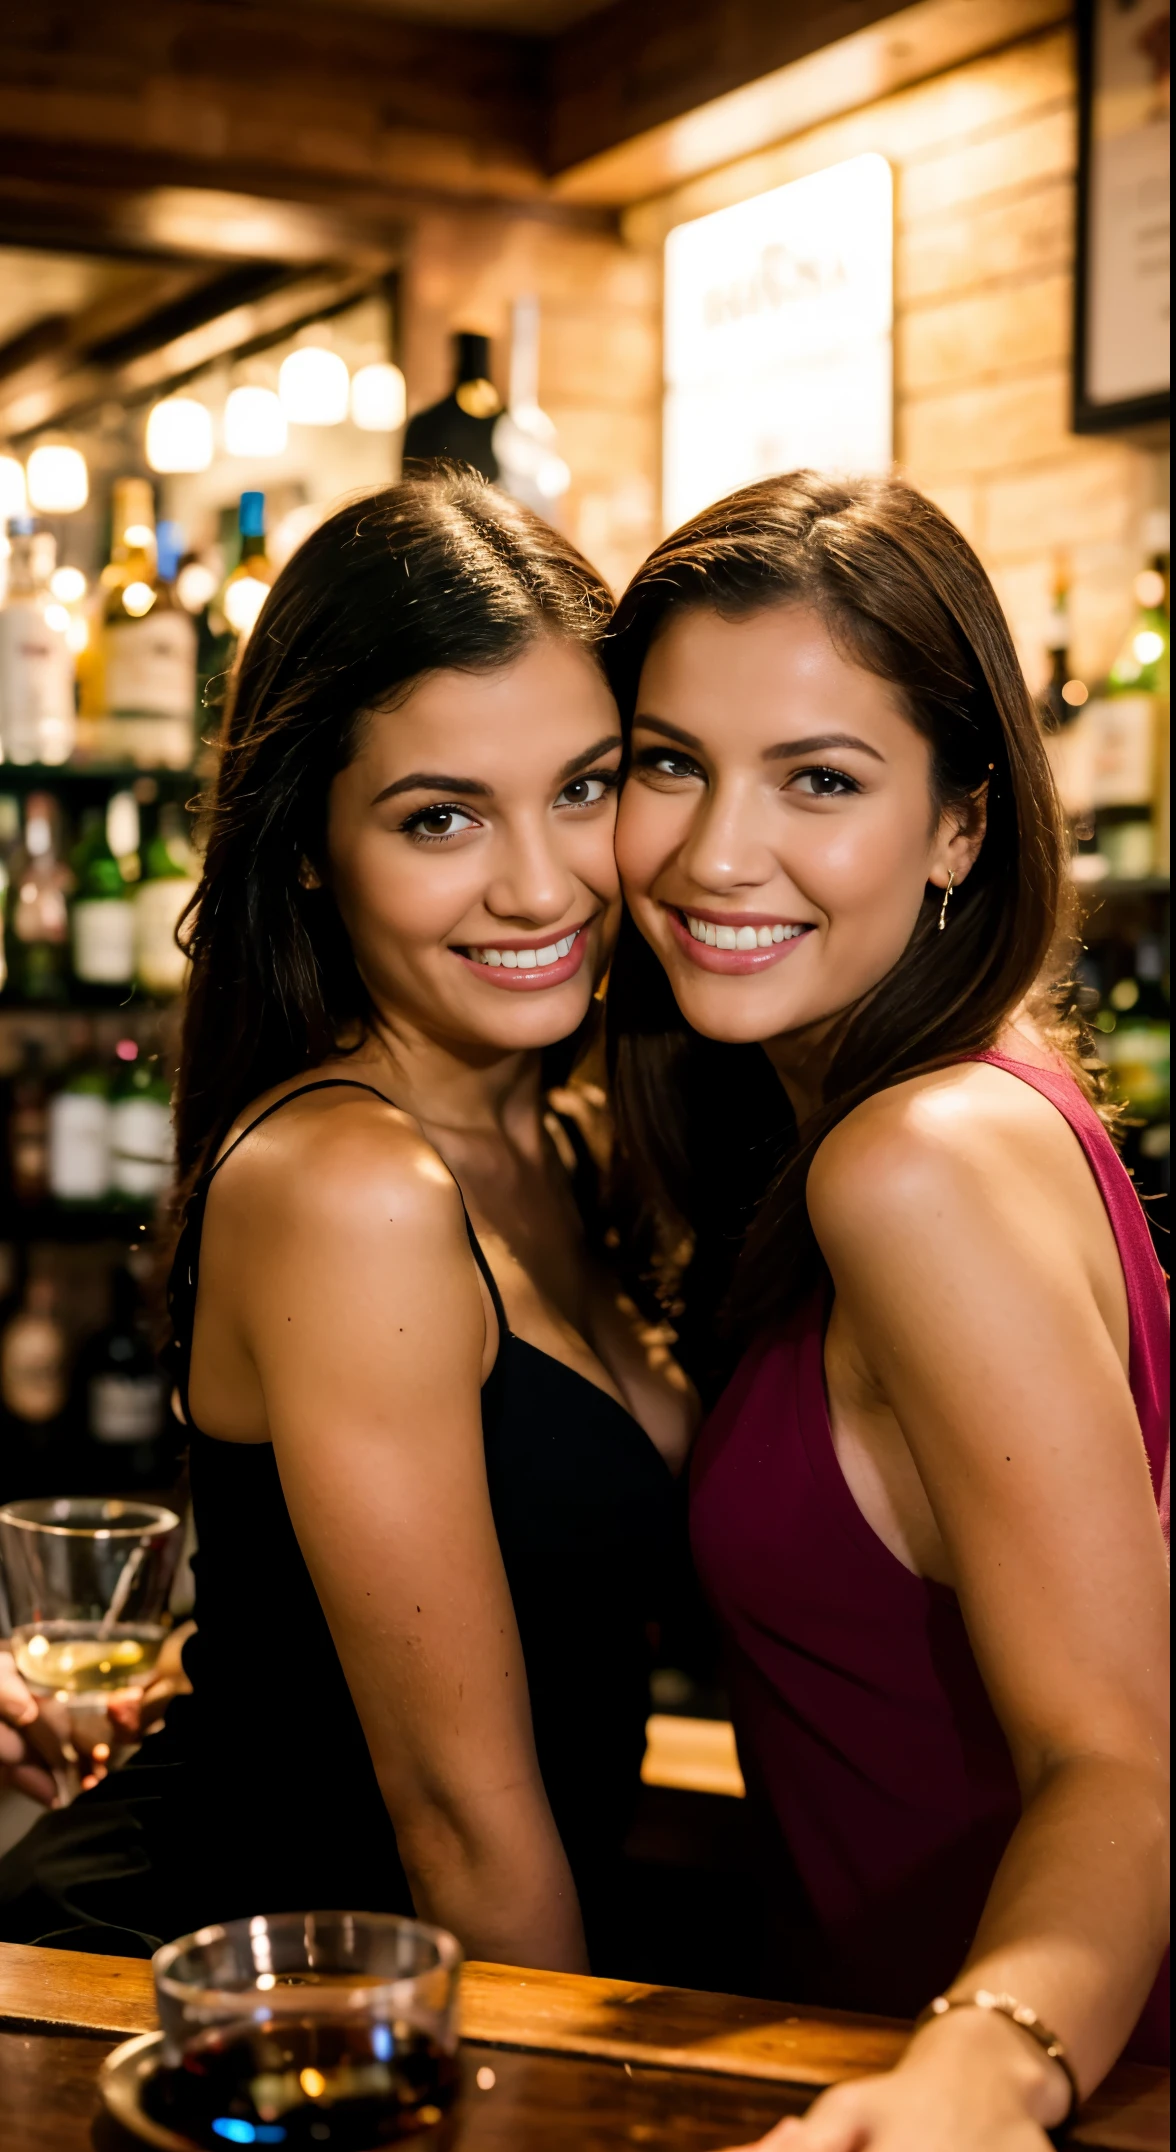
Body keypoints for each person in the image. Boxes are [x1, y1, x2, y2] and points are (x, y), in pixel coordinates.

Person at [0, 472, 691, 1967]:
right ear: (307, 847)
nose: (540, 885)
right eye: (441, 817)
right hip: (252, 2009)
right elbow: (456, 1816)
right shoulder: (351, 1189)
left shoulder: (560, 1134)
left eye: (584, 785)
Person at [605, 472, 1169, 2148]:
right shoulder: (970, 1090)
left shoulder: (909, 1161)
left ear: (962, 824)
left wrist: (979, 2062)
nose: (717, 851)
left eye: (821, 781)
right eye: (667, 765)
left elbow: (1124, 1758)